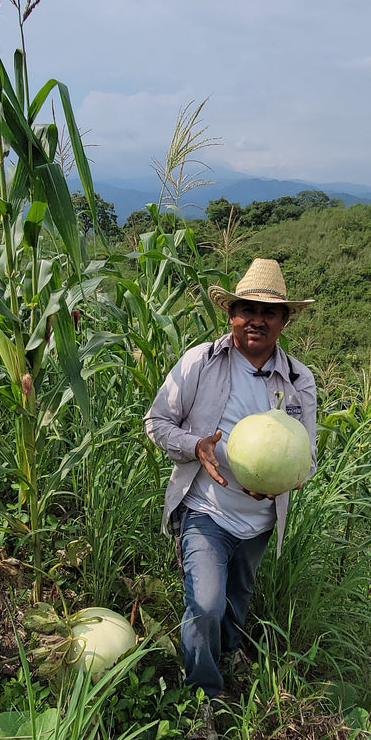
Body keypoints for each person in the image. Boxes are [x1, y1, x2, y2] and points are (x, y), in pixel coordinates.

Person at [144, 257, 318, 700]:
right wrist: (195, 447)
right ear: (231, 314)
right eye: (247, 309)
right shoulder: (199, 362)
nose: (256, 320)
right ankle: (204, 694)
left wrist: (284, 482)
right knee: (205, 604)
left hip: (260, 520)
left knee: (236, 600)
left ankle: (226, 654)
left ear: (283, 320)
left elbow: (307, 454)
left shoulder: (299, 380)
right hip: (206, 508)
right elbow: (157, 421)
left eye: (268, 312)